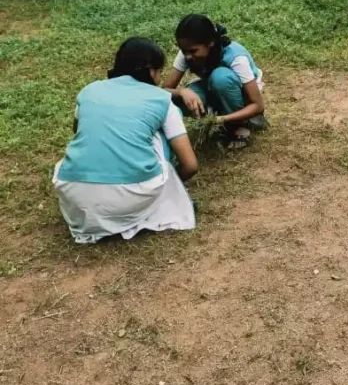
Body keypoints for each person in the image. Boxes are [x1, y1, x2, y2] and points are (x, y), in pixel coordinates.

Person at [53, 38, 197, 245]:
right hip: (131, 198)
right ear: (150, 71)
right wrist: (170, 186)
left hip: (76, 198)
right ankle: (155, 198)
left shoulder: (89, 91)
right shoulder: (161, 99)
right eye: (158, 72)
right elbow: (191, 165)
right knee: (157, 133)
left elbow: (78, 130)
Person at [163, 15, 266, 150]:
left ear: (210, 42)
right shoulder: (188, 53)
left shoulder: (235, 57)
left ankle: (240, 124)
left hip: (241, 95)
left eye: (193, 51)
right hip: (213, 87)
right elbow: (163, 91)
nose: (187, 56)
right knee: (180, 98)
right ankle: (218, 115)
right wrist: (182, 91)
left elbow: (258, 105)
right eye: (184, 51)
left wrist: (220, 120)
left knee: (221, 78)